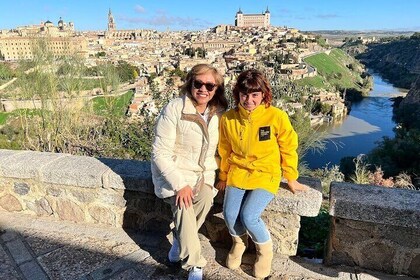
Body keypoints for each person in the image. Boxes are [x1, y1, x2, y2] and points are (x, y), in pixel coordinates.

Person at [216, 69, 308, 278]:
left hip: (267, 173)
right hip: (238, 172)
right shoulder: (229, 119)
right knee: (230, 214)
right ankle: (239, 243)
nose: (249, 100)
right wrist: (223, 177)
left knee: (249, 215)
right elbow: (225, 150)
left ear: (263, 95)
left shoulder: (276, 116)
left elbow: (288, 146)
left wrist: (290, 177)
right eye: (244, 94)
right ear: (238, 94)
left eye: (254, 95)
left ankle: (265, 253)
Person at [151, 64, 228, 280]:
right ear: (190, 84)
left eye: (210, 85)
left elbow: (222, 150)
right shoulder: (175, 108)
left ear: (216, 89)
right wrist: (180, 184)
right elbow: (160, 153)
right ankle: (194, 263)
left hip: (203, 175)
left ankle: (179, 239)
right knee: (183, 203)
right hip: (173, 175)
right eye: (198, 83)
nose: (203, 89)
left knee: (204, 199)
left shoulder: (219, 114)